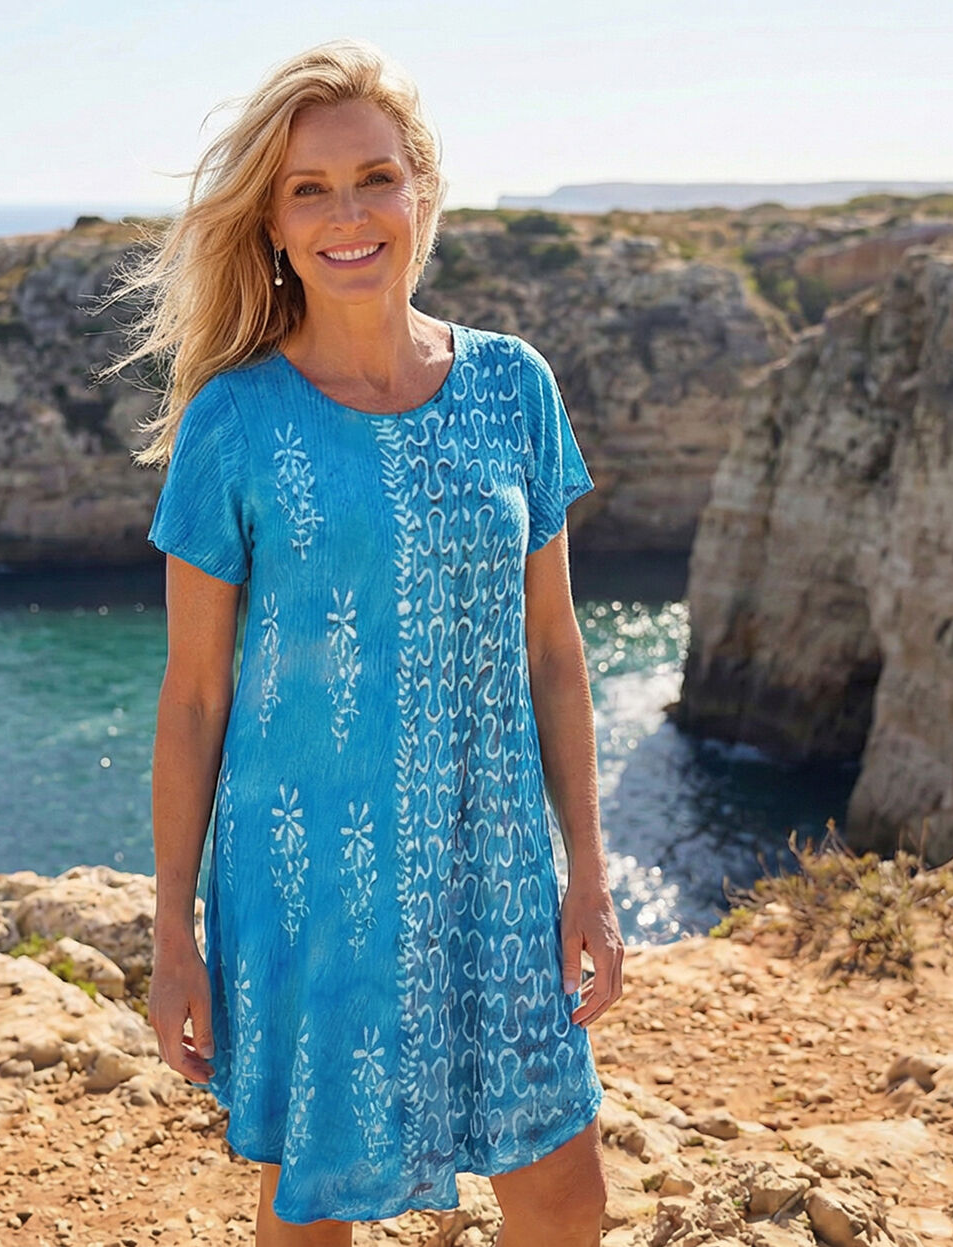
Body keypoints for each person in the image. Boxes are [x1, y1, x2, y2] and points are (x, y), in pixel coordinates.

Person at [121, 40, 624, 1240]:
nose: (349, 214)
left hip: (494, 868)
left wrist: (589, 876)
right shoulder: (234, 421)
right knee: (318, 1203)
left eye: (375, 179)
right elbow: (193, 698)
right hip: (312, 882)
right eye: (309, 189)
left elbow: (553, 650)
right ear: (275, 226)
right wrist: (171, 939)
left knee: (565, 1197)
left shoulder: (514, 387)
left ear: (421, 194)